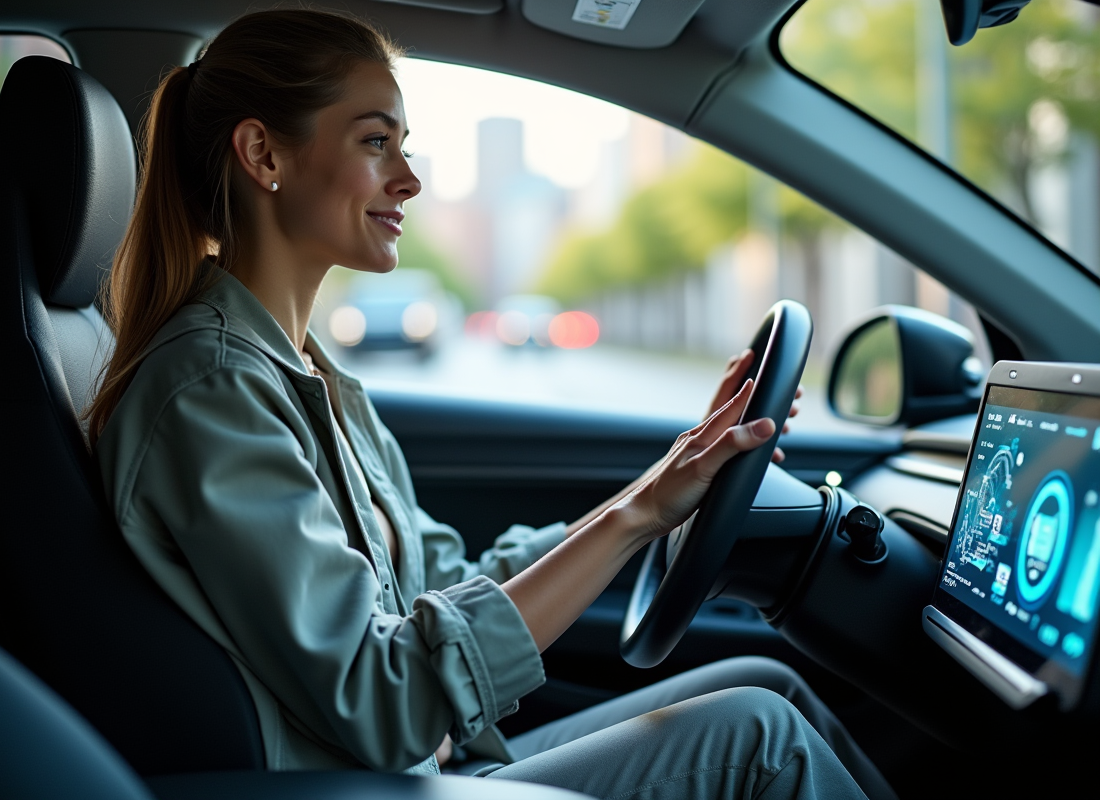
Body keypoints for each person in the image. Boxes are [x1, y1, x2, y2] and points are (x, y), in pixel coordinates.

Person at [89, 10, 895, 800]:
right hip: (362, 783)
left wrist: (664, 487)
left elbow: (450, 586)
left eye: (404, 147)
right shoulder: (212, 389)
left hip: (426, 769)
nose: (408, 178)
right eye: (376, 143)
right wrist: (642, 514)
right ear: (263, 152)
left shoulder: (308, 376)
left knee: (767, 684)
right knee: (759, 734)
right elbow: (387, 704)